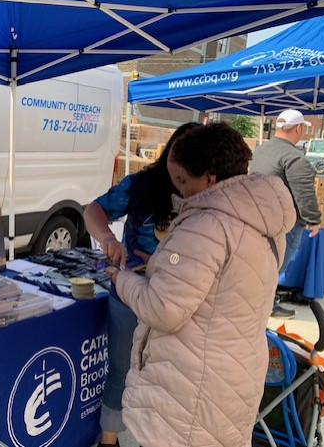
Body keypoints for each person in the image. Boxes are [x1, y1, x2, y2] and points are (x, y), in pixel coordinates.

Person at [111, 123, 295, 447]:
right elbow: (221, 286)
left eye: (183, 180)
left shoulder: (205, 225)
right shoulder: (259, 219)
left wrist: (122, 278)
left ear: (209, 178)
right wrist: (163, 266)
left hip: (188, 390)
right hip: (234, 377)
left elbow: (162, 308)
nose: (179, 191)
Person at [84, 122, 200, 447]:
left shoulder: (205, 196)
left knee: (170, 376)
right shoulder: (141, 184)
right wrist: (107, 238)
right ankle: (109, 440)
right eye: (177, 160)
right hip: (129, 292)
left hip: (176, 298)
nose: (180, 174)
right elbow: (93, 210)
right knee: (121, 368)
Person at [250, 109, 322, 319]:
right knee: (275, 267)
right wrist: (313, 219)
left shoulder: (261, 150)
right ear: (298, 128)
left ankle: (259, 304)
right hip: (284, 224)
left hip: (258, 218)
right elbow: (304, 193)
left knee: (261, 266)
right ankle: (267, 306)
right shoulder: (294, 157)